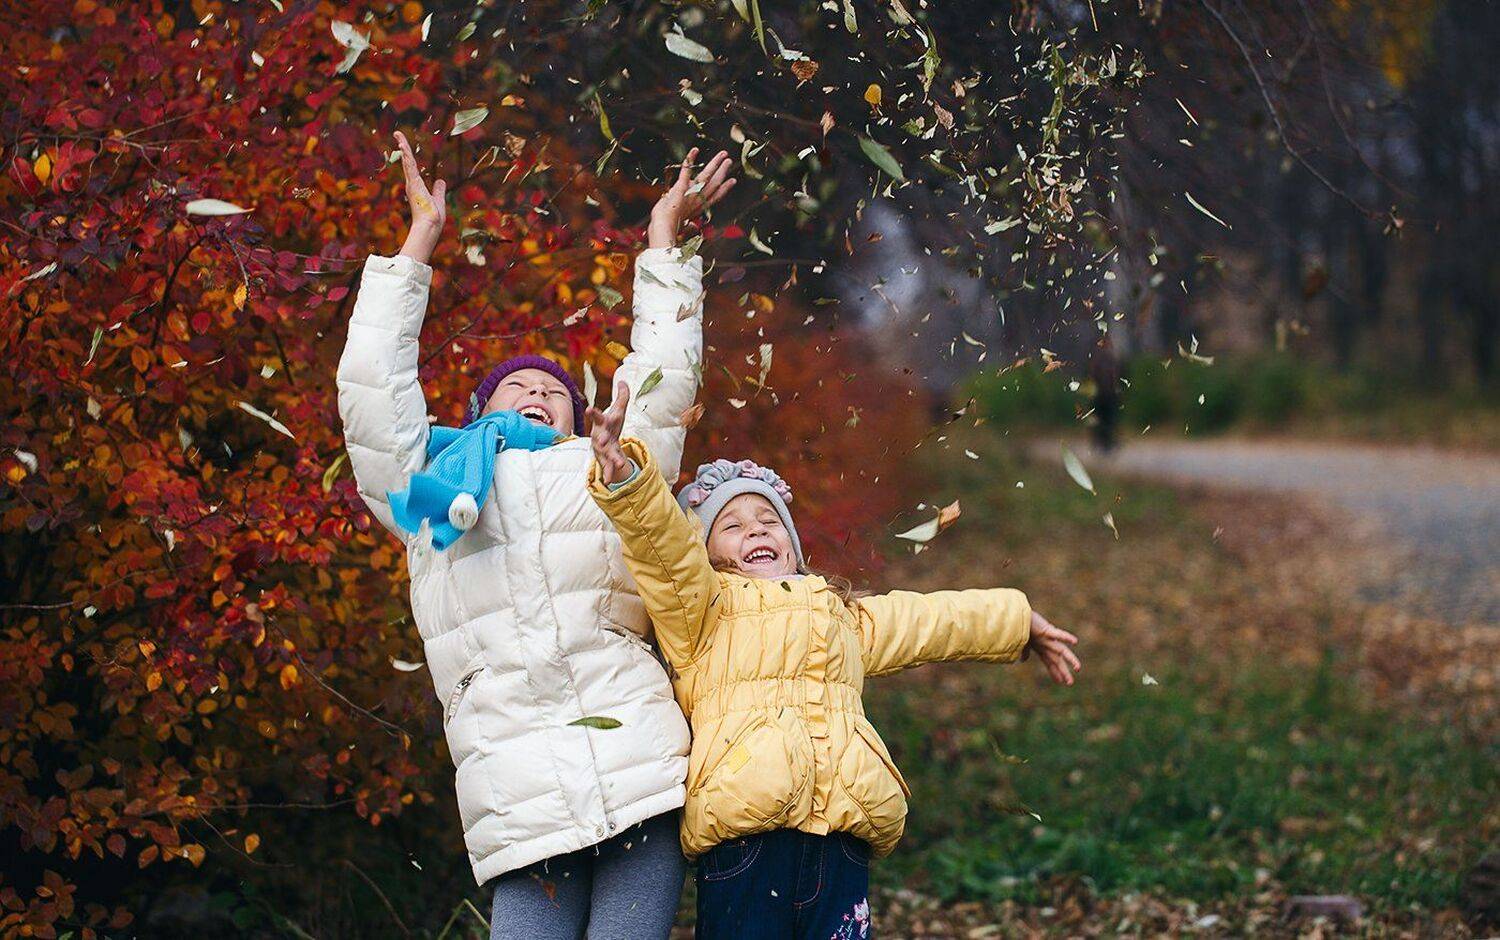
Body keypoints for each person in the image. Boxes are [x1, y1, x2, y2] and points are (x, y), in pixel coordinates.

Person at [336, 132, 735, 939]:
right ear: (478, 413)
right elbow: (374, 399)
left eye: (549, 389)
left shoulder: (605, 466)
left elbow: (662, 377)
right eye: (512, 387)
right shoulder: (429, 494)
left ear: (572, 412)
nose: (532, 393)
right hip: (517, 795)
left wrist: (664, 243)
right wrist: (417, 245)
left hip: (639, 769)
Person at [583, 383, 1082, 939]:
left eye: (769, 521)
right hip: (747, 840)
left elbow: (930, 622)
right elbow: (663, 551)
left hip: (842, 840)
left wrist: (1018, 620)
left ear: (793, 544)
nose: (756, 529)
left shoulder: (841, 614)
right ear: (706, 552)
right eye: (734, 524)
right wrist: (625, 477)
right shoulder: (703, 610)